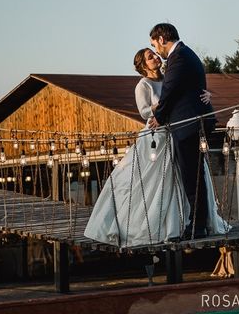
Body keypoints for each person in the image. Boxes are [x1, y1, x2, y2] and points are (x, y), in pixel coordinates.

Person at [84, 48, 227, 247]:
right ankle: (157, 225)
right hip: (157, 136)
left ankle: (191, 221)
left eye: (155, 54)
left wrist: (204, 96)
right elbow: (143, 111)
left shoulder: (170, 76)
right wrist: (163, 105)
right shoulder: (143, 85)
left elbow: (184, 93)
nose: (155, 57)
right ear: (143, 66)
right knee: (155, 181)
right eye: (150, 57)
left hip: (180, 130)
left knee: (187, 175)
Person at [149, 23, 217, 238]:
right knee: (193, 175)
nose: (155, 49)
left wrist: (159, 116)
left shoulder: (178, 57)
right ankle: (197, 223)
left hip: (188, 124)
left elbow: (170, 90)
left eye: (153, 44)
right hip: (190, 122)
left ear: (161, 39)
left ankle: (196, 226)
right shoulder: (186, 54)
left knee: (191, 176)